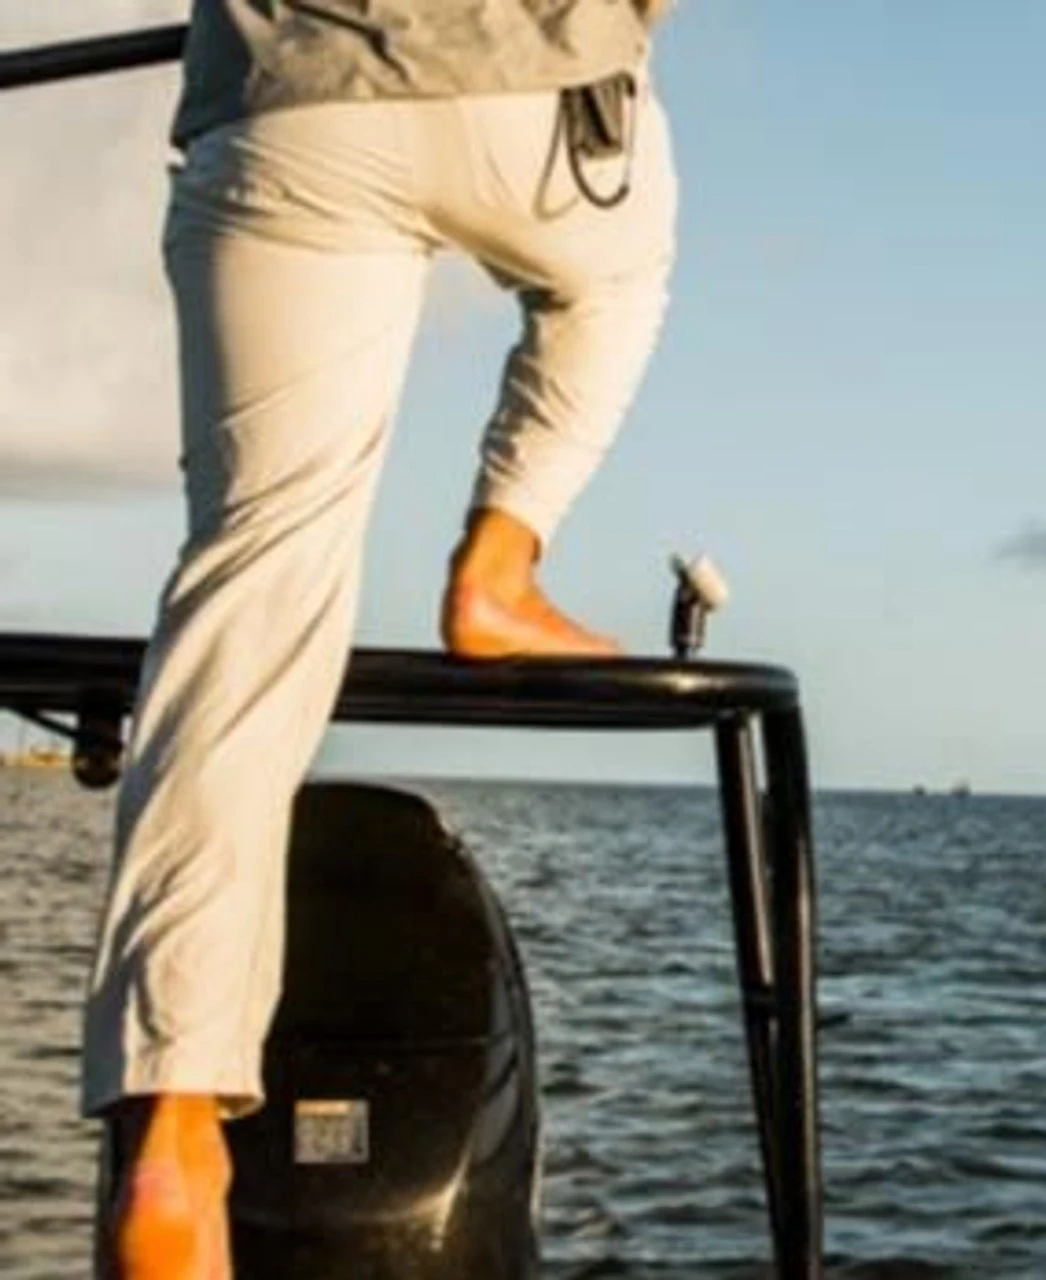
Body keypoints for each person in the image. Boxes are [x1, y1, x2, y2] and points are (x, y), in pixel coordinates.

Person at [83, 2, 678, 1275]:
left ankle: (175, 1127)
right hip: (530, 111)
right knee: (619, 275)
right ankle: (503, 557)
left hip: (286, 105)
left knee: (253, 582)